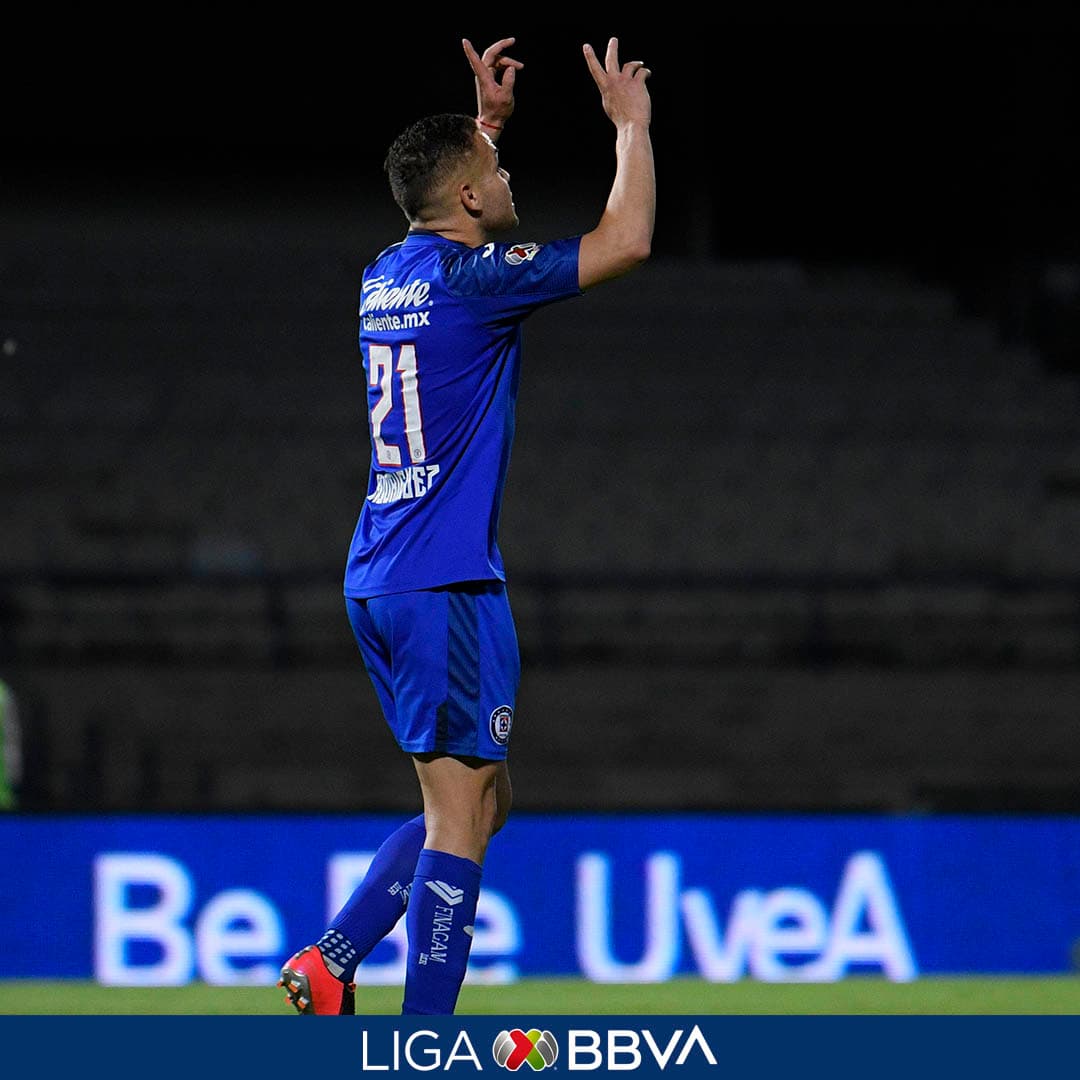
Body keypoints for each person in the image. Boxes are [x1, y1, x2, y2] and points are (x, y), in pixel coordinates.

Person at [278, 33, 654, 1016]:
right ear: (474, 199)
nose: (508, 172)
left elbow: (439, 202)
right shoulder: (474, 284)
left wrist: (480, 128)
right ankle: (423, 1037)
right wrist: (632, 130)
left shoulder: (383, 277)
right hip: (444, 581)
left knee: (485, 801)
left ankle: (331, 958)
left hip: (383, 571)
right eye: (498, 167)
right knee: (459, 817)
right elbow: (627, 242)